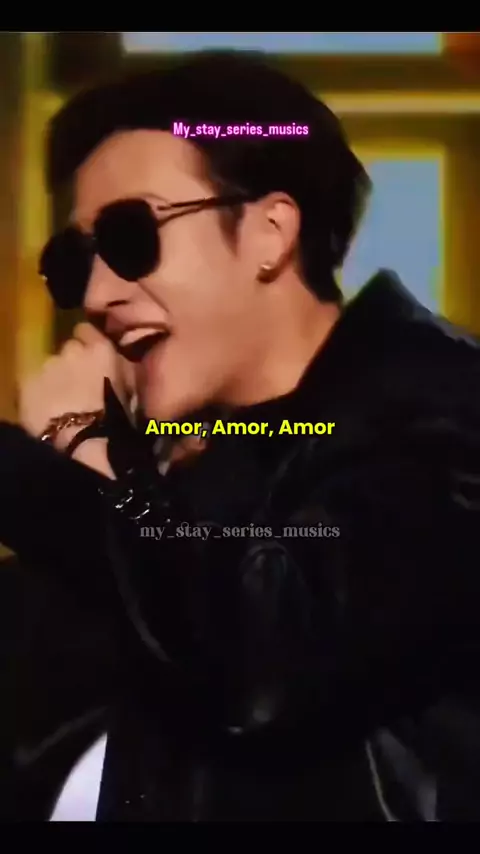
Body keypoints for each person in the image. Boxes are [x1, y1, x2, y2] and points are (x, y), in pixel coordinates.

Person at [2, 49, 480, 822]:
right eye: (75, 261)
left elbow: (268, 660)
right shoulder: (186, 458)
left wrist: (78, 452)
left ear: (269, 231)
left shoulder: (445, 409)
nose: (97, 293)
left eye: (131, 237)